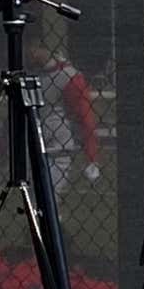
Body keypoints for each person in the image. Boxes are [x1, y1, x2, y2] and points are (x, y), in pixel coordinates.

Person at [27, 39, 102, 196]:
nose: (30, 53)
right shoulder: (32, 74)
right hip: (33, 145)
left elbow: (85, 117)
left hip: (58, 149)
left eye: (32, 47)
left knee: (47, 198)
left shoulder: (68, 76)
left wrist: (91, 156)